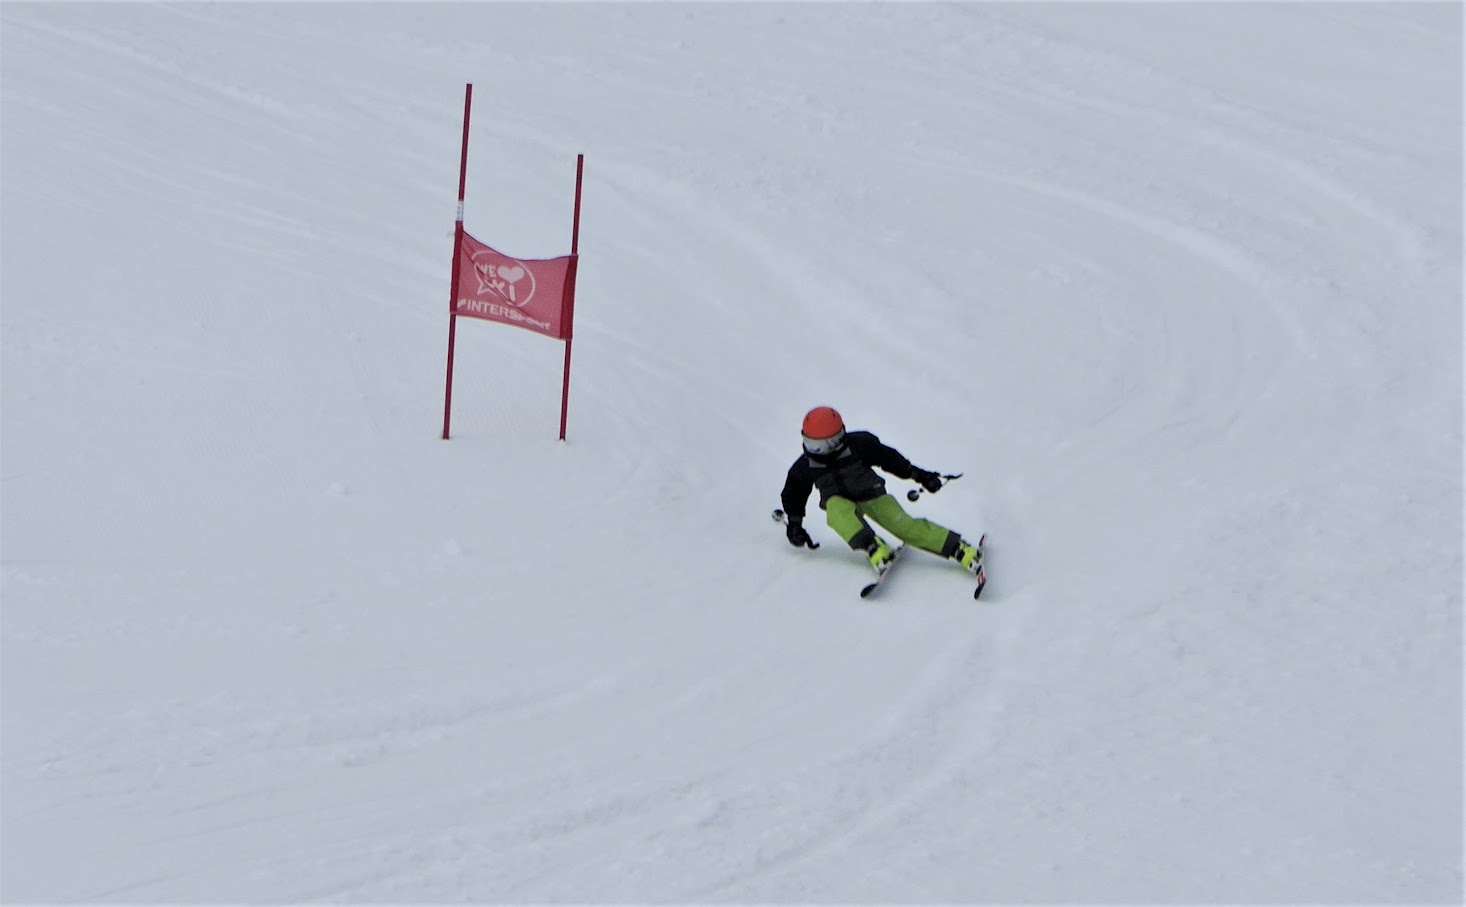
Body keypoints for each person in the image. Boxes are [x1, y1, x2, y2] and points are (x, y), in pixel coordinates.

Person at [780, 406, 983, 575]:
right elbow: (794, 493)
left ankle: (958, 548)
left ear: (840, 436)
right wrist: (795, 525)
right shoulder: (805, 466)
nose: (822, 451)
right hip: (839, 501)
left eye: (828, 444)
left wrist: (920, 475)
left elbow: (890, 460)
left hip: (872, 495)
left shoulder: (859, 445)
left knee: (904, 526)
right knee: (836, 511)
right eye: (814, 445)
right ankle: (873, 547)